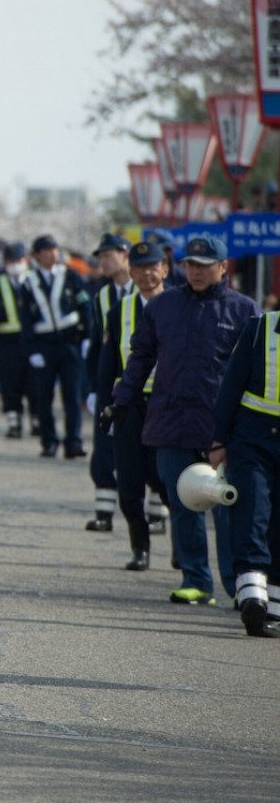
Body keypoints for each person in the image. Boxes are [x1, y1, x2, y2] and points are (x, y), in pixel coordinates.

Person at [108, 233, 257, 605]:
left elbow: (258, 371)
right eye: (190, 264)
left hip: (223, 428)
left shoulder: (244, 311)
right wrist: (121, 401)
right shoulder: (163, 306)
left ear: (223, 268)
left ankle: (238, 585)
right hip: (171, 421)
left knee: (227, 506)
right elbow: (140, 357)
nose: (196, 271)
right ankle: (196, 580)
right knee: (184, 502)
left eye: (205, 266)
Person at [96, 241, 172, 571]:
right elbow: (108, 362)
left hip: (168, 405)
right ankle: (139, 546)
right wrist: (102, 402)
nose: (145, 273)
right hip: (129, 405)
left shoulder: (179, 307)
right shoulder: (119, 311)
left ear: (165, 270)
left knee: (167, 479)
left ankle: (182, 548)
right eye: (139, 267)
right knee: (129, 482)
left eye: (152, 266)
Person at [210, 303, 280, 637]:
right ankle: (252, 596)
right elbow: (231, 386)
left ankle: (276, 608)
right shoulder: (259, 330)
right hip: (253, 441)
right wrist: (217, 441)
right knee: (252, 511)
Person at [84, 234, 134, 531]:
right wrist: (91, 387)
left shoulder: (147, 293)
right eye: (100, 257)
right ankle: (104, 512)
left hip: (142, 381)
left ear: (125, 254)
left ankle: (155, 513)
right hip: (107, 380)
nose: (102, 261)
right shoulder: (101, 296)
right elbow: (96, 345)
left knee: (144, 450)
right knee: (103, 448)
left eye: (108, 255)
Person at [26, 234, 91, 460]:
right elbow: (25, 319)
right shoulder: (29, 281)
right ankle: (49, 441)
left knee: (72, 395)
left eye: (55, 250)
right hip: (44, 345)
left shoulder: (71, 275)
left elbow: (85, 306)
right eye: (46, 251)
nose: (52, 254)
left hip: (70, 341)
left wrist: (87, 336)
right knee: (44, 397)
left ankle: (73, 441)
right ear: (37, 255)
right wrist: (32, 350)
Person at [0, 243, 37, 438]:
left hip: (34, 342)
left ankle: (36, 418)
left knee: (35, 381)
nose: (16, 265)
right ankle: (14, 421)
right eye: (11, 261)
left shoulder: (35, 280)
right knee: (10, 382)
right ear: (5, 263)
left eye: (19, 261)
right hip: (7, 341)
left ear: (26, 261)